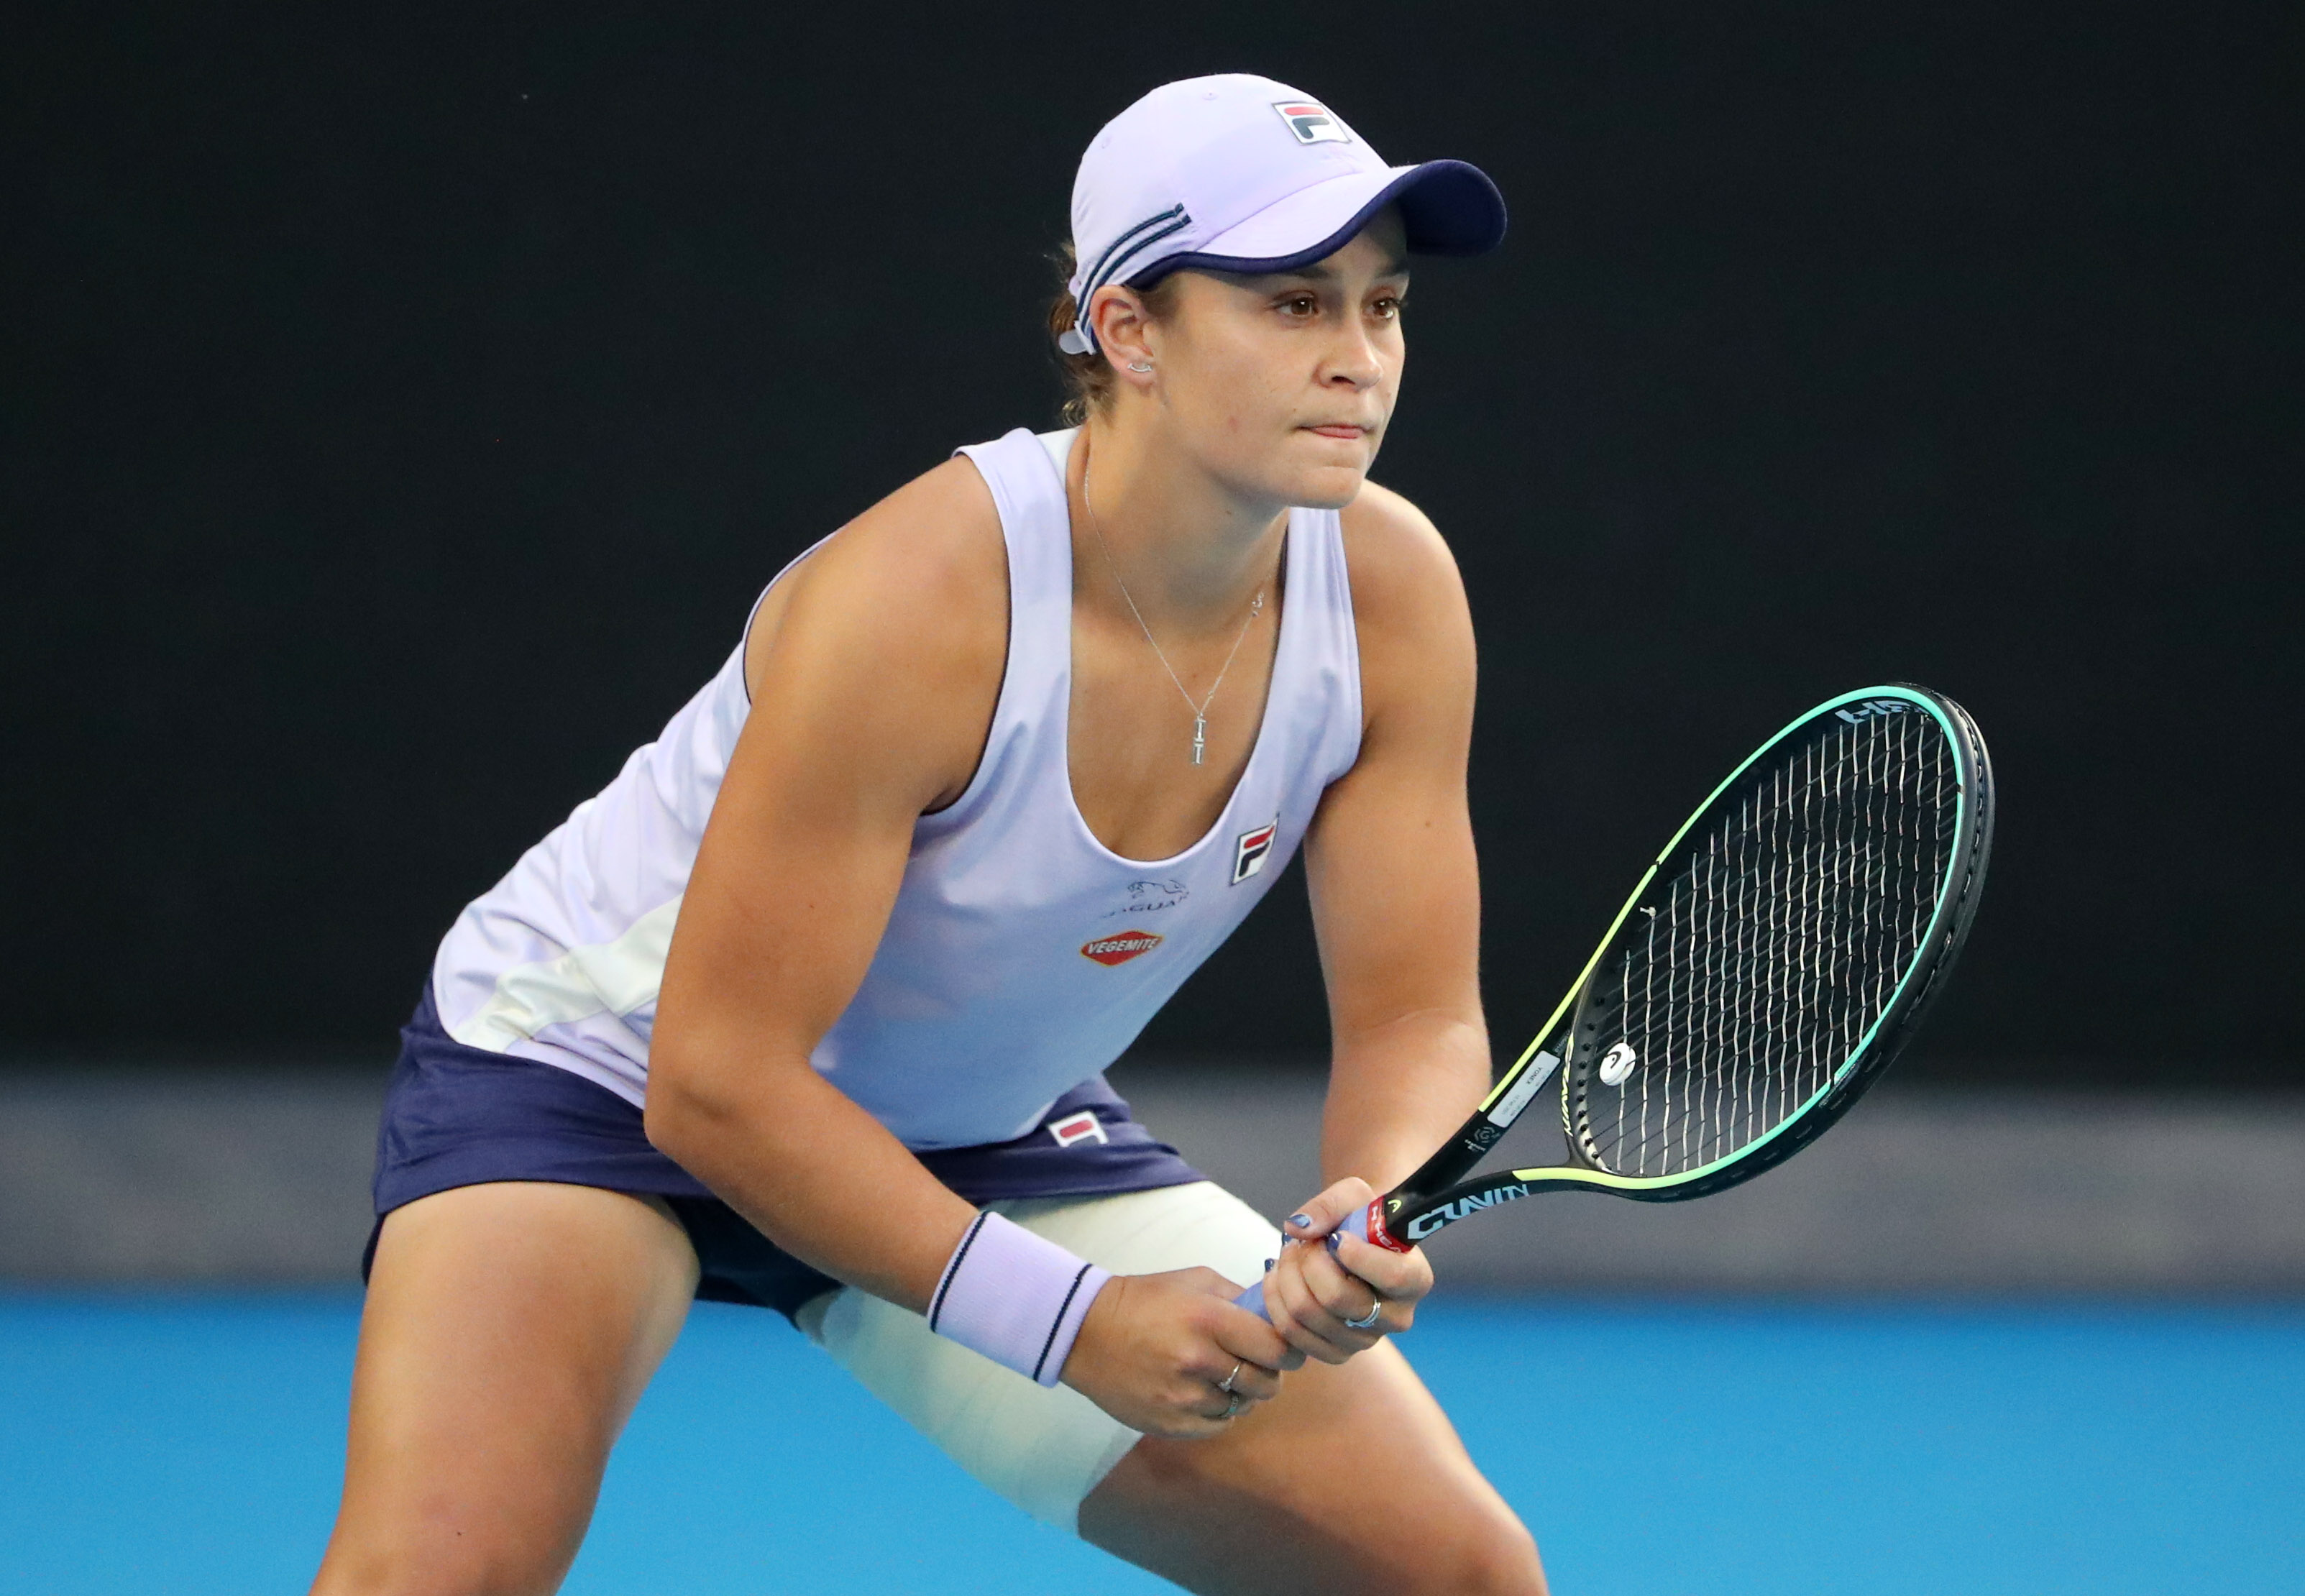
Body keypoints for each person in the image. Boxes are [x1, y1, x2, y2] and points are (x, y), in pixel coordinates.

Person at [313, 73, 1546, 1596]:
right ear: (1128, 330)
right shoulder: (920, 602)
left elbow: (1418, 1018)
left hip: (974, 1122)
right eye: (1294, 304)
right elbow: (715, 1085)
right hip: (604, 1079)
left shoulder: (1392, 593)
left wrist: (1370, 1205)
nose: (1359, 358)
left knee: (1456, 1576)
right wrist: (1071, 1326)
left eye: (1383, 306)